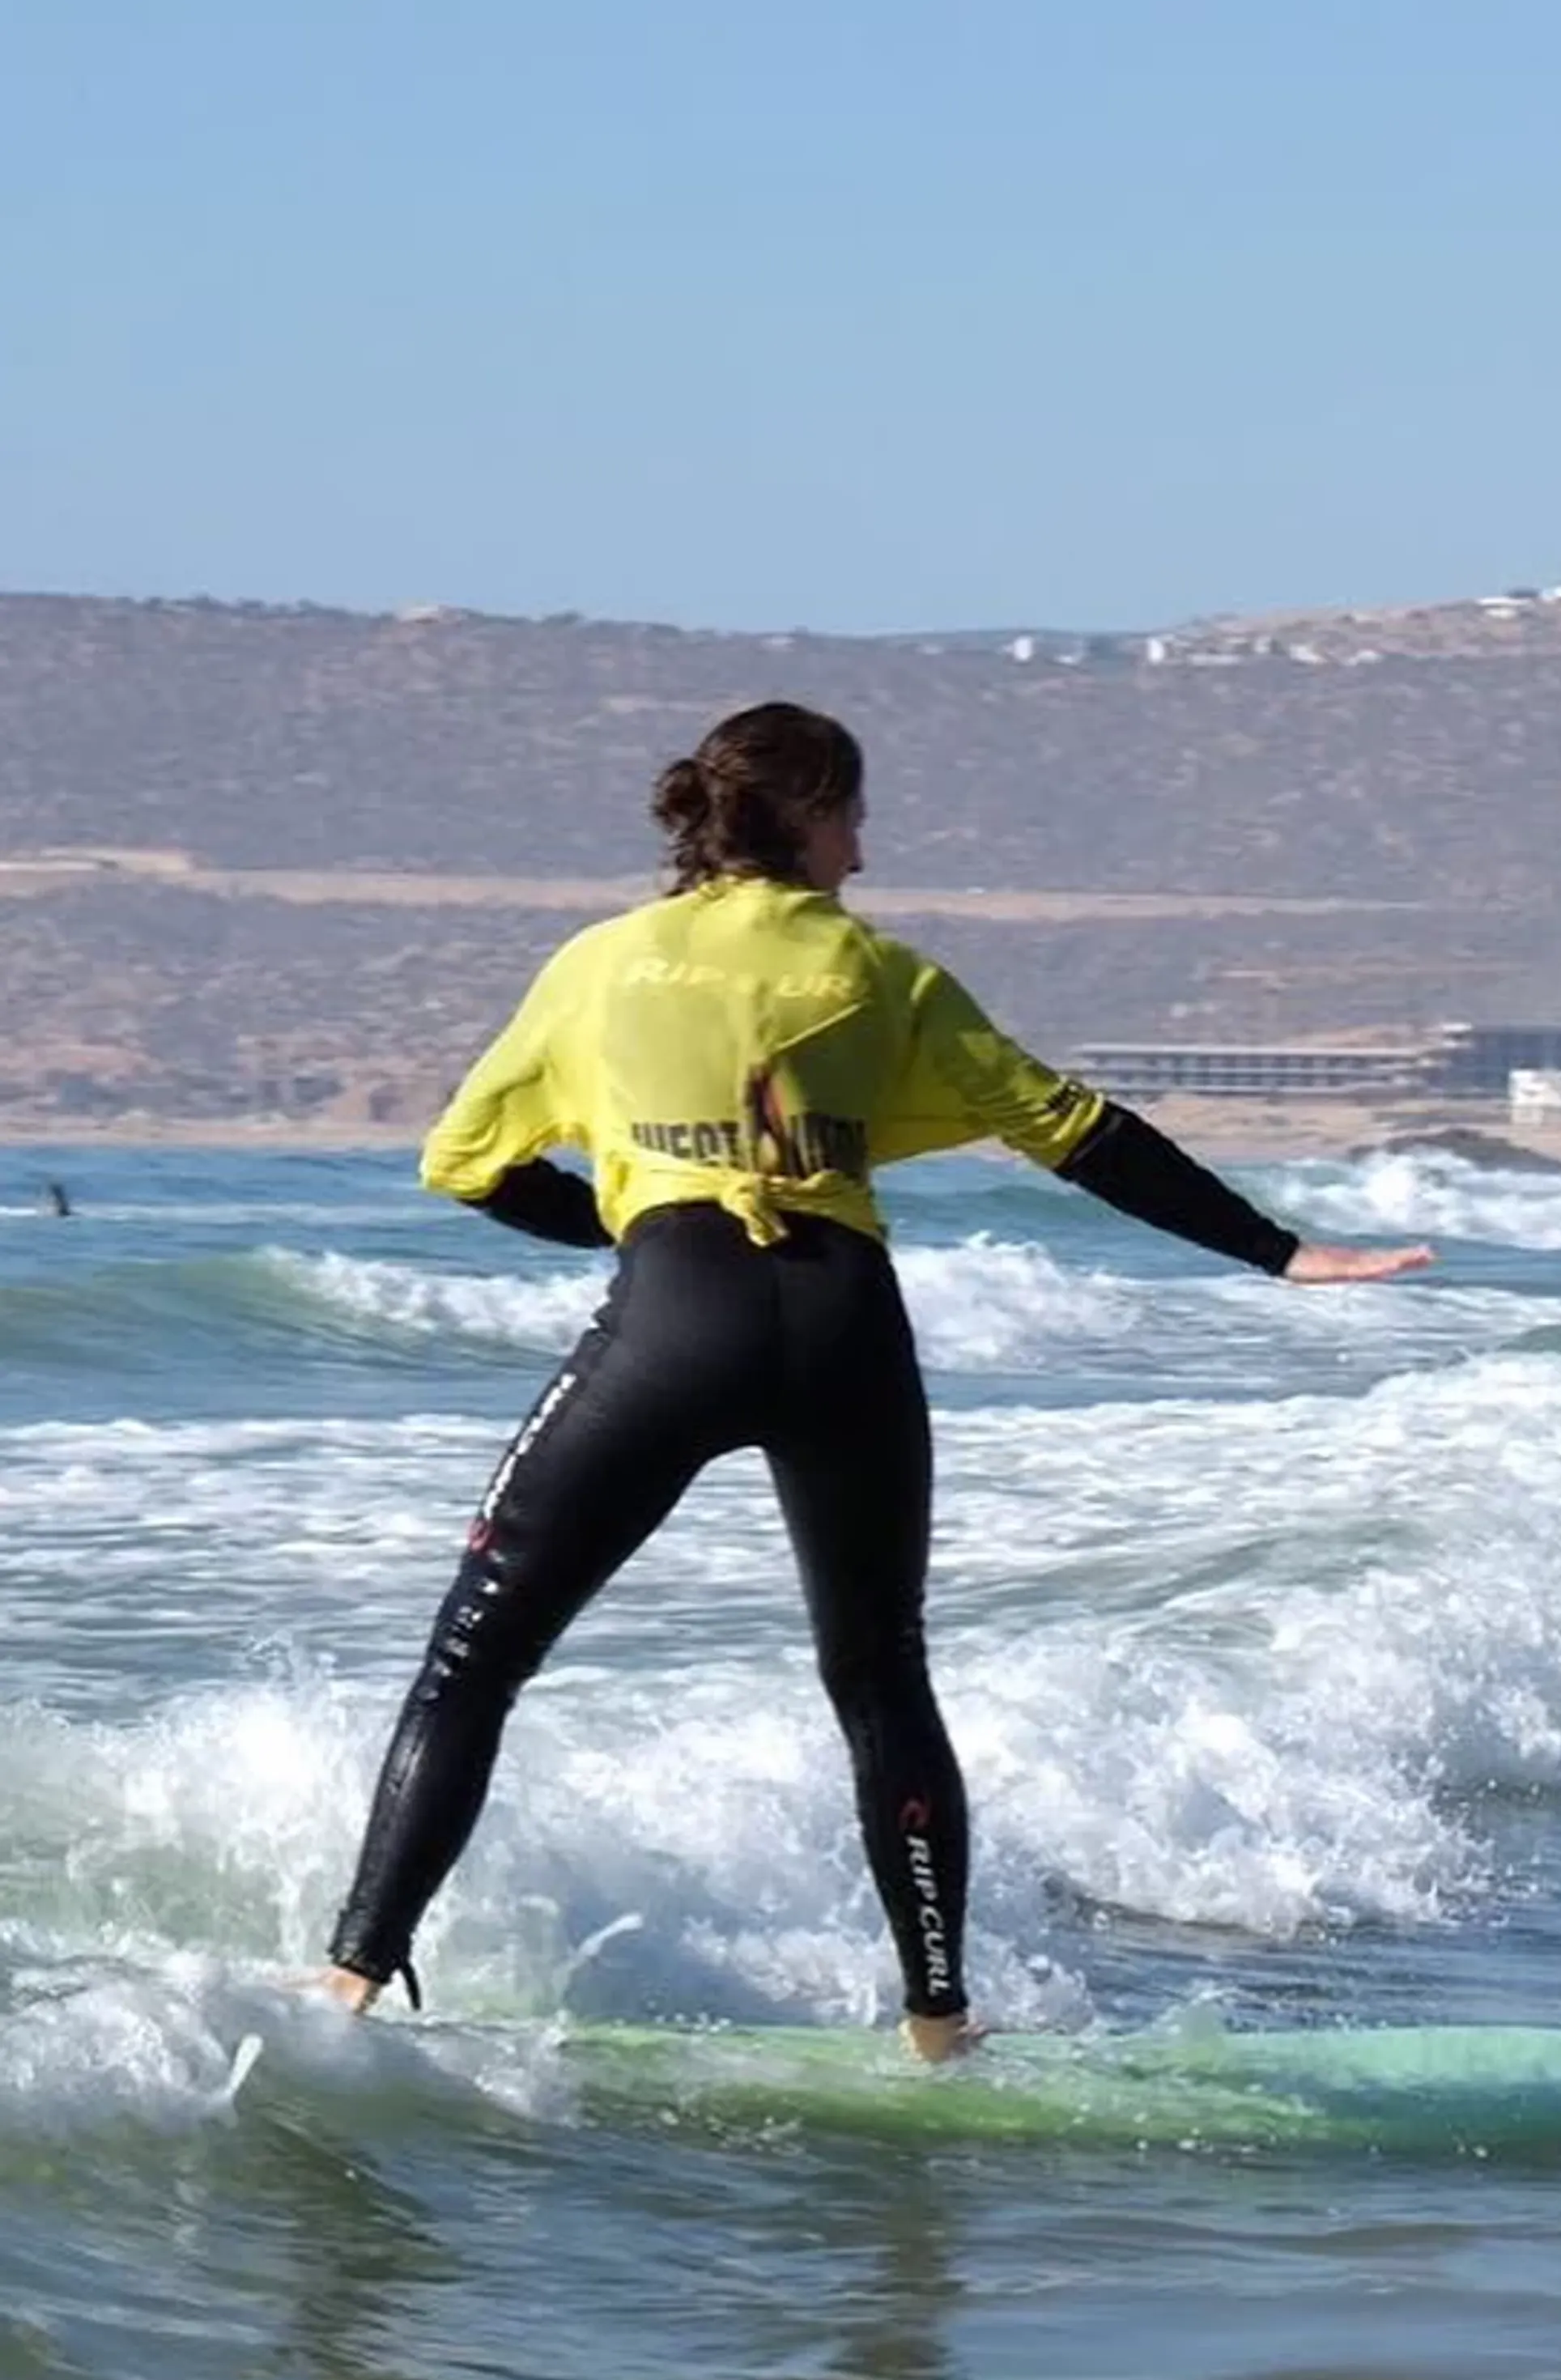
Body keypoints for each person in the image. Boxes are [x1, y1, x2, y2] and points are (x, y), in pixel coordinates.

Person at [318, 701, 1431, 2059]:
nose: (865, 844)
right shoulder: (884, 973)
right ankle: (940, 2022)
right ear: (804, 814)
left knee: (472, 1661)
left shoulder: (601, 966)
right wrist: (1280, 1252)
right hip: (848, 1327)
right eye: (852, 814)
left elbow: (464, 1162)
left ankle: (351, 1989)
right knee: (879, 1677)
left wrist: (629, 1219)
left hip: (675, 1317)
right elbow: (1081, 1135)